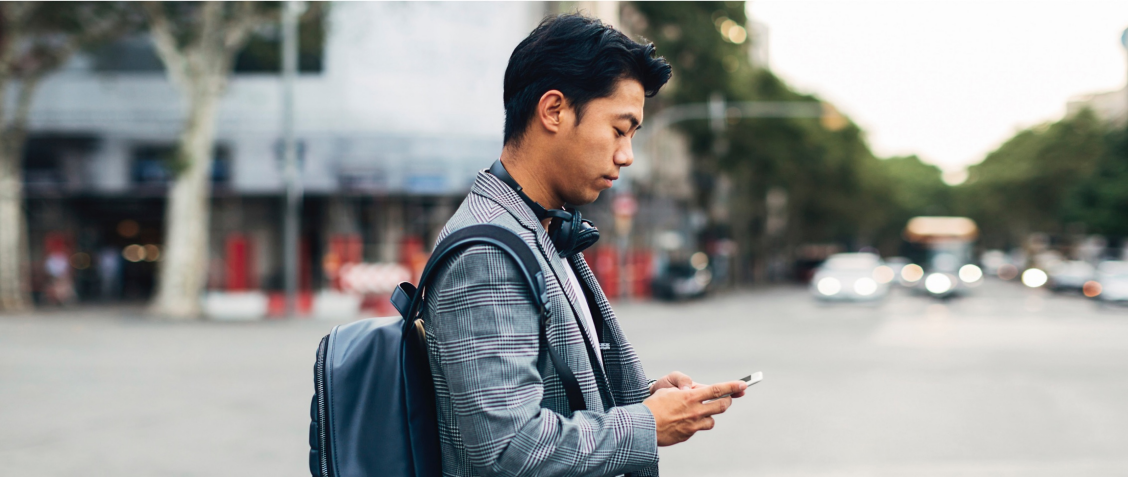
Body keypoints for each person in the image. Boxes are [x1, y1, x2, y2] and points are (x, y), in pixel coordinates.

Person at [422, 14, 748, 477]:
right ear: (554, 110)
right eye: (619, 129)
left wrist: (648, 399)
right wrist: (645, 426)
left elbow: (558, 394)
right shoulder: (488, 254)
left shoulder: (538, 227)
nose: (626, 155)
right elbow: (508, 449)